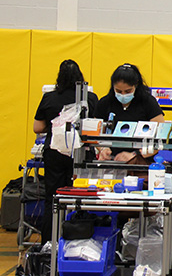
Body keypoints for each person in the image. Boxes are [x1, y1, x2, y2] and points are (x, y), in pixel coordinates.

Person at [33, 59, 98, 242]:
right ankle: (79, 240)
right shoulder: (90, 99)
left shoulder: (49, 98)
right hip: (81, 152)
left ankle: (49, 243)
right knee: (81, 198)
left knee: (53, 199)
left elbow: (37, 127)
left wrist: (56, 128)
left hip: (54, 151)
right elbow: (95, 126)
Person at [94, 63, 164, 163]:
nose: (123, 95)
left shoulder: (148, 102)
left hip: (141, 162)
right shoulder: (105, 103)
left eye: (128, 91)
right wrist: (103, 149)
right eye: (118, 91)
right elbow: (96, 134)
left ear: (136, 85)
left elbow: (162, 136)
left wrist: (135, 154)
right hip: (111, 161)